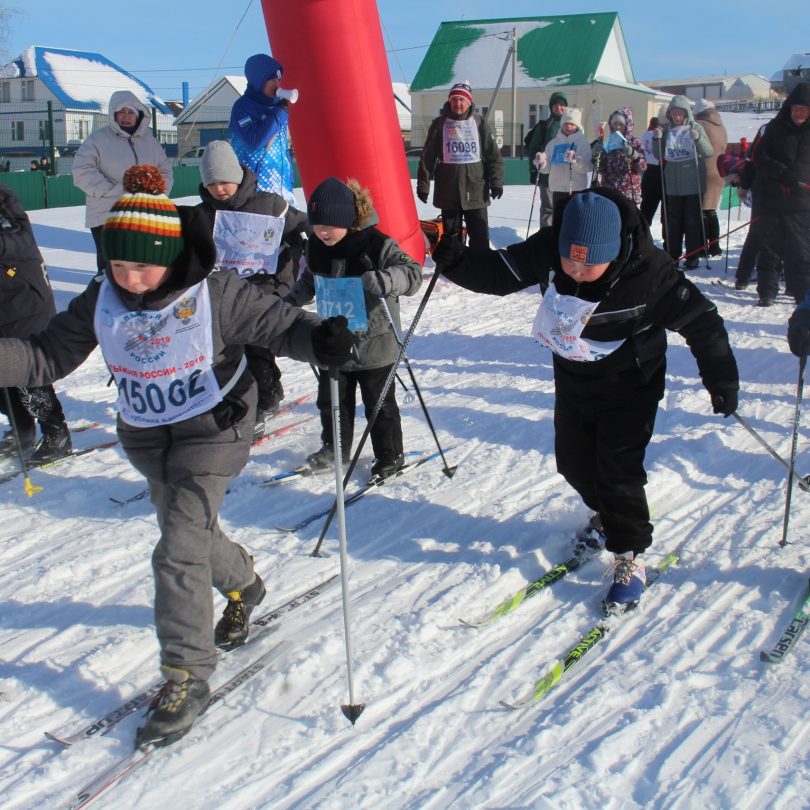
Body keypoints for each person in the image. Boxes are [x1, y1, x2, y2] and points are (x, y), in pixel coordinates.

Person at [0, 164, 354, 748]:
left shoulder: (213, 293)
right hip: (148, 436)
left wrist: (319, 339)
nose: (130, 279)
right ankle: (245, 584)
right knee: (189, 532)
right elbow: (45, 356)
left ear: (169, 255)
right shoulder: (103, 297)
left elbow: (279, 325)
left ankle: (187, 674)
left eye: (142, 266)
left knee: (177, 546)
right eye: (118, 265)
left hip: (214, 428)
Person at [432, 189, 739, 610]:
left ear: (613, 254)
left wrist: (721, 379)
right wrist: (457, 260)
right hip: (575, 378)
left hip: (632, 383)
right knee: (573, 464)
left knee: (617, 472)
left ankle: (629, 556)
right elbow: (501, 273)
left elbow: (703, 322)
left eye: (588, 265)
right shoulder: (551, 247)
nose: (576, 272)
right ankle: (608, 514)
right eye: (569, 262)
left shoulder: (650, 273)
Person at [286, 177, 422, 479]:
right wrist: (290, 300)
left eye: (330, 225)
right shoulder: (316, 247)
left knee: (379, 405)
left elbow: (412, 273)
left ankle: (390, 456)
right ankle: (334, 450)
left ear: (348, 220)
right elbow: (310, 280)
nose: (322, 232)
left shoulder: (377, 245)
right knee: (332, 402)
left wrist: (387, 279)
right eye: (317, 225)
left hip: (375, 344)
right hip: (334, 342)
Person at [196, 140, 310, 429]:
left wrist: (315, 244)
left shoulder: (269, 204)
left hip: (268, 283)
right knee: (227, 345)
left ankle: (267, 395)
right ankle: (239, 392)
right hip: (226, 288)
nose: (219, 189)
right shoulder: (203, 214)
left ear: (236, 177)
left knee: (256, 341)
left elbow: (302, 224)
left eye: (224, 181)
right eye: (212, 184)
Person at [0, 182, 72, 462]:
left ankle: (56, 433)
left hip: (24, 299)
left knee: (28, 372)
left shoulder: (3, 198)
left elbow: (19, 240)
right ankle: (21, 429)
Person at [72, 90, 173, 272]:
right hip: (107, 213)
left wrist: (158, 193)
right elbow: (82, 170)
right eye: (122, 112)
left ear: (139, 114)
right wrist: (109, 191)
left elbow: (165, 170)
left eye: (130, 112)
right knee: (111, 267)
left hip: (144, 213)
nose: (126, 117)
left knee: (141, 264)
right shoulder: (97, 139)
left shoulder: (151, 142)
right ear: (114, 114)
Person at [416, 81, 504, 250]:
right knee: (452, 240)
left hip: (476, 191)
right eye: (454, 99)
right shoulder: (439, 124)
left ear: (469, 102)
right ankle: (455, 266)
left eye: (462, 99)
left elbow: (493, 156)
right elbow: (427, 158)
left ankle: (479, 265)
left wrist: (496, 182)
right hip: (449, 191)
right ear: (449, 101)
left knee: (480, 238)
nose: (458, 103)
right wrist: (423, 186)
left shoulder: (479, 123)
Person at [752, 81, 810, 305]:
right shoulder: (774, 128)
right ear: (789, 109)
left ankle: (801, 293)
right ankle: (767, 291)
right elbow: (759, 158)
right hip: (772, 199)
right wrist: (782, 173)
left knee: (801, 251)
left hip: (801, 203)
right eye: (796, 109)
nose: (799, 114)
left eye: (804, 110)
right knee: (769, 249)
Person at [652, 95, 713, 269]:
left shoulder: (696, 127)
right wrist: (656, 139)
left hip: (693, 183)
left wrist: (698, 138)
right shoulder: (666, 130)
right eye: (674, 114)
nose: (677, 117)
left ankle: (692, 256)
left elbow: (708, 151)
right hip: (673, 184)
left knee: (692, 221)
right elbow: (658, 155)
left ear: (687, 113)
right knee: (674, 222)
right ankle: (673, 255)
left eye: (680, 114)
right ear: (669, 114)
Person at [228, 54, 295, 205]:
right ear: (259, 80)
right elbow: (255, 140)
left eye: (278, 78)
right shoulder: (242, 108)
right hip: (255, 191)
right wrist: (279, 113)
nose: (277, 83)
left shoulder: (277, 107)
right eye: (272, 79)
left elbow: (282, 147)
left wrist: (290, 177)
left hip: (283, 188)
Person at [533, 106, 590, 212]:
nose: (568, 126)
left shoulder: (583, 143)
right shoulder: (553, 143)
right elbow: (546, 169)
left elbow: (587, 167)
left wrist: (575, 161)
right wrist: (541, 163)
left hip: (576, 189)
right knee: (559, 218)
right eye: (566, 123)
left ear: (577, 125)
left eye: (572, 124)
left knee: (575, 218)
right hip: (557, 189)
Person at [524, 91, 568, 228]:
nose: (558, 108)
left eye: (561, 105)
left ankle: (560, 236)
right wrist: (533, 169)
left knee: (564, 209)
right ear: (550, 107)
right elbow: (533, 148)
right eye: (555, 105)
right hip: (546, 176)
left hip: (566, 177)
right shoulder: (545, 126)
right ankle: (546, 236)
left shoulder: (572, 125)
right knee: (548, 209)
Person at [692, 99, 728, 258]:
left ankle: (702, 246)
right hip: (719, 172)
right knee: (711, 210)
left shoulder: (699, 125)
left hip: (704, 172)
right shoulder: (721, 126)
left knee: (702, 212)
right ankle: (715, 246)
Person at [591, 107, 646, 204]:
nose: (618, 127)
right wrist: (596, 155)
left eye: (621, 124)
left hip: (629, 193)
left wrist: (633, 154)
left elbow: (643, 167)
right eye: (615, 124)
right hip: (609, 191)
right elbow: (601, 169)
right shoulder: (609, 142)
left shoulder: (635, 142)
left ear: (627, 125)